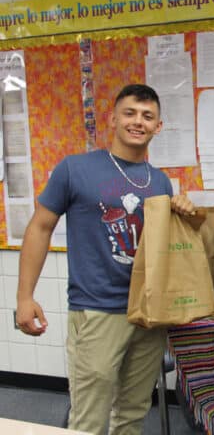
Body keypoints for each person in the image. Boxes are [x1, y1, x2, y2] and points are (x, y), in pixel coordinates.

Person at [16, 84, 196, 435]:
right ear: (113, 118)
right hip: (96, 310)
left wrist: (185, 214)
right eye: (130, 113)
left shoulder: (160, 182)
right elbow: (39, 228)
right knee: (89, 419)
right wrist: (25, 297)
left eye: (147, 116)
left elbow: (164, 247)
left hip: (148, 314)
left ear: (158, 126)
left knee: (132, 413)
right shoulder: (75, 169)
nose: (138, 122)